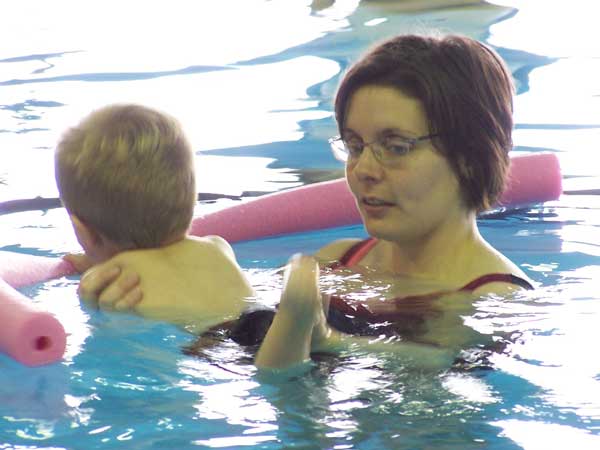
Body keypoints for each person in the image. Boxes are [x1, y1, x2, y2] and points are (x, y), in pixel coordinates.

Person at [79, 34, 535, 369]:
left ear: (470, 158)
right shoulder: (337, 260)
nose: (365, 170)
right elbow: (231, 318)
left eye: (396, 146)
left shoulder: (499, 297)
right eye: (355, 145)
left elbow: (448, 379)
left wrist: (333, 341)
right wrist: (138, 283)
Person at [56, 104, 256, 334]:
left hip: (212, 350)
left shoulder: (110, 284)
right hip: (260, 319)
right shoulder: (217, 247)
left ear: (84, 232)